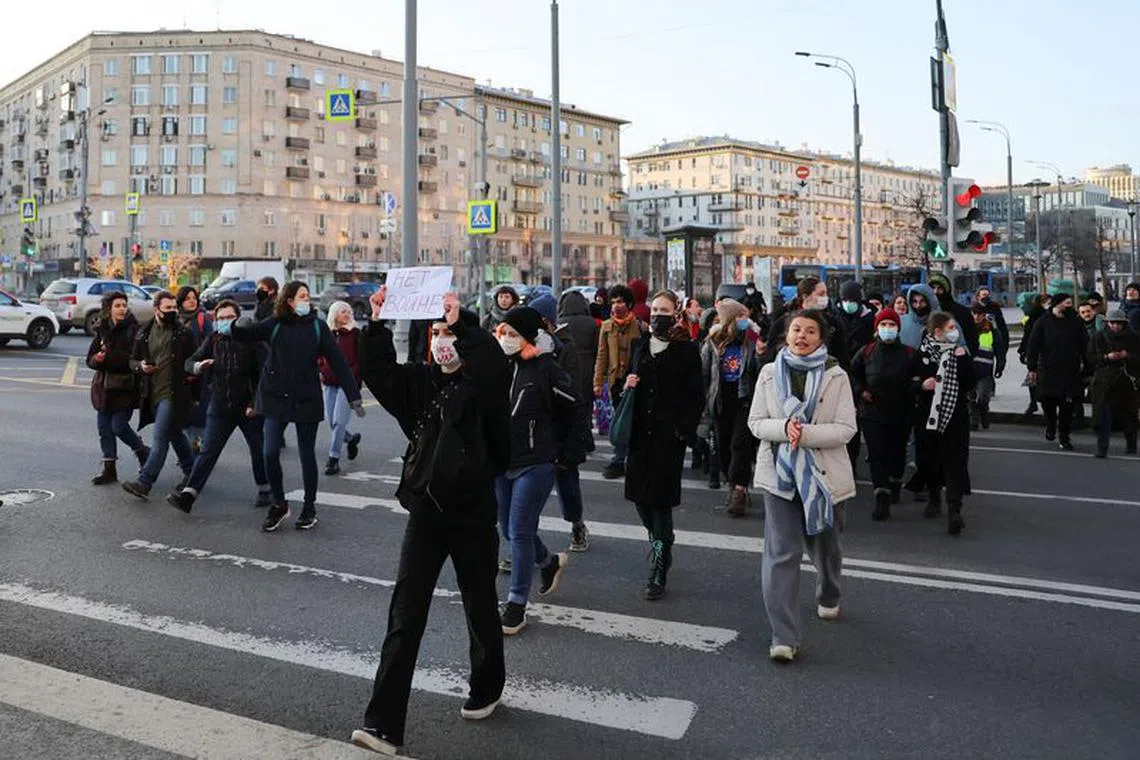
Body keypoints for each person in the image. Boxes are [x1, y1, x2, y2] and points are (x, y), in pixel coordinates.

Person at [352, 290, 509, 756]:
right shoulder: (420, 383)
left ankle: (487, 685)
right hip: (426, 512)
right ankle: (382, 724)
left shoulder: (485, 386)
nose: (442, 341)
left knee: (479, 604)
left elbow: (493, 370)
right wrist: (377, 323)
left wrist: (464, 326)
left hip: (473, 514)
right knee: (405, 614)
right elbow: (379, 373)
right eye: (436, 333)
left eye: (449, 334)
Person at [748, 309, 855, 662]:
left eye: (810, 331)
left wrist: (804, 434)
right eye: (796, 330)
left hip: (824, 476)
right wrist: (784, 429)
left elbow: (845, 428)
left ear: (821, 338)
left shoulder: (835, 376)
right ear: (786, 334)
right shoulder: (768, 373)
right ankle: (784, 636)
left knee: (827, 547)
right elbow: (756, 422)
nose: (802, 336)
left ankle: (829, 592)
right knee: (781, 553)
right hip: (779, 476)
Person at [232, 281, 363, 532]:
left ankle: (309, 507)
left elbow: (338, 361)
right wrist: (237, 325)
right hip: (275, 396)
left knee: (306, 454)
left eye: (307, 296)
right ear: (289, 300)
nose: (306, 300)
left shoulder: (317, 326)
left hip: (306, 397)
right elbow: (249, 334)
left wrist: (353, 395)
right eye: (301, 296)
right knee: (269, 452)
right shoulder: (276, 324)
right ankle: (279, 504)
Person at [494, 306, 585, 635]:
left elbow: (574, 407)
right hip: (502, 462)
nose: (506, 338)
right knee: (509, 528)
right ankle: (548, 563)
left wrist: (566, 453)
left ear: (530, 337)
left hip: (536, 462)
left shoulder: (546, 369)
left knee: (518, 530)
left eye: (513, 334)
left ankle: (516, 604)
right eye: (503, 332)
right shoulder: (501, 366)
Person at [624, 290, 704, 600]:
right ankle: (661, 540)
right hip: (639, 436)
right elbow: (625, 387)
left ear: (676, 312)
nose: (658, 314)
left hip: (667, 439)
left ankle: (659, 563)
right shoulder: (639, 345)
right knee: (640, 500)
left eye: (664, 309)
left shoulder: (685, 350)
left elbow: (695, 395)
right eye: (655, 308)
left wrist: (682, 431)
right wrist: (627, 384)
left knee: (659, 502)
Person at [166, 299, 270, 513]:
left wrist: (255, 403)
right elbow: (189, 361)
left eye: (229, 317)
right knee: (208, 451)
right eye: (220, 318)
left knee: (257, 448)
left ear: (238, 318)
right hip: (220, 405)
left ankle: (264, 489)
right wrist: (197, 366)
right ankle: (189, 495)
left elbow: (264, 375)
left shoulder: (253, 341)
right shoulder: (213, 339)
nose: (224, 322)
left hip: (248, 407)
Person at [531, 293, 594, 553]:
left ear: (547, 322)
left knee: (567, 483)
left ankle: (577, 524)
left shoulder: (566, 349)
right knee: (527, 494)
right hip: (533, 430)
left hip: (561, 429)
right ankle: (523, 544)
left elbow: (572, 393)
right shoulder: (527, 345)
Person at [121, 291, 198, 499]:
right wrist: (141, 367)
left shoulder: (183, 333)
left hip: (173, 393)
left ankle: (145, 482)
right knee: (174, 433)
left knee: (161, 438)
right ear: (157, 310)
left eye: (174, 308)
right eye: (168, 308)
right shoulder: (144, 332)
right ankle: (193, 472)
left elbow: (196, 360)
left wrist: (195, 393)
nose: (172, 311)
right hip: (151, 393)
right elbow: (132, 361)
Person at [849, 307, 918, 521]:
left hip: (901, 413)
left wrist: (912, 389)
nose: (887, 329)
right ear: (877, 329)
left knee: (896, 454)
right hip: (872, 414)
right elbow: (853, 375)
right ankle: (881, 496)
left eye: (891, 325)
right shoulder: (866, 352)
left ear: (898, 329)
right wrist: (861, 391)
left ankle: (895, 482)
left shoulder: (909, 354)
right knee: (877, 454)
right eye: (883, 325)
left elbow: (918, 378)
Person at [701, 298, 763, 517]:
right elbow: (705, 373)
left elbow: (761, 370)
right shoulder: (713, 341)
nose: (745, 320)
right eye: (740, 316)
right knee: (724, 444)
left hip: (745, 400)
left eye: (746, 316)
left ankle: (739, 489)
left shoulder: (752, 340)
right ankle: (733, 483)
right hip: (720, 400)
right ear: (729, 319)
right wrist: (703, 405)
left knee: (740, 444)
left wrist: (761, 352)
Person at [87, 291, 148, 485]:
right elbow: (90, 359)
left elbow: (133, 359)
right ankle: (109, 470)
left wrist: (109, 358)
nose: (122, 309)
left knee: (119, 426)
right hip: (103, 388)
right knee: (104, 429)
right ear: (109, 309)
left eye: (124, 305)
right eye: (118, 306)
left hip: (125, 388)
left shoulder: (133, 330)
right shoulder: (102, 329)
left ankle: (142, 451)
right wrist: (97, 360)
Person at [594, 283, 646, 479]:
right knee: (620, 420)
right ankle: (618, 460)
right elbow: (601, 356)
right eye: (614, 302)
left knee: (634, 421)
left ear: (629, 303)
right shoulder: (606, 327)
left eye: (621, 301)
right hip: (615, 381)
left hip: (634, 380)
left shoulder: (639, 326)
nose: (617, 305)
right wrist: (597, 382)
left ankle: (631, 460)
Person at [1026, 293, 1087, 451]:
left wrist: (1087, 366)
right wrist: (1031, 367)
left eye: (1070, 303)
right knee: (1048, 403)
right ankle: (1051, 425)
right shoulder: (1043, 322)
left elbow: (1085, 345)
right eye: (1066, 303)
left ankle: (1064, 436)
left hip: (1070, 371)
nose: (1069, 306)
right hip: (1048, 370)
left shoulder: (1076, 322)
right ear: (1057, 304)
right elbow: (1033, 345)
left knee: (1068, 406)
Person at [764, 277, 850, 369]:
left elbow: (842, 356)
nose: (825, 298)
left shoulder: (833, 323)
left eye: (826, 294)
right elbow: (770, 355)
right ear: (805, 296)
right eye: (821, 294)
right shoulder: (783, 322)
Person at [320, 301, 364, 476]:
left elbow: (361, 358)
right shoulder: (327, 334)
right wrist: (322, 369)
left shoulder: (355, 334)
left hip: (348, 384)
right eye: (342, 311)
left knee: (339, 421)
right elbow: (319, 355)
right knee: (331, 421)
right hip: (329, 382)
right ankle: (351, 439)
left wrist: (354, 376)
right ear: (334, 315)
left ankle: (333, 458)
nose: (346, 314)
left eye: (348, 311)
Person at [1090, 309, 1140, 458]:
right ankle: (1102, 448)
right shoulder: (1099, 336)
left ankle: (1131, 445)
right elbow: (1091, 358)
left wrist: (1128, 356)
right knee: (1104, 416)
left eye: (1119, 323)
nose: (1115, 326)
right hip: (1104, 382)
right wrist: (1107, 357)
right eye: (1112, 323)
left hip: (1127, 381)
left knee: (1129, 415)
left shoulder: (1134, 338)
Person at [177, 285, 213, 453]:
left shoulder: (202, 319)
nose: (191, 301)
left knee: (199, 413)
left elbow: (211, 342)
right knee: (183, 413)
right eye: (187, 299)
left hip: (200, 371)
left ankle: (200, 448)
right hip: (181, 374)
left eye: (194, 298)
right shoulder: (177, 319)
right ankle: (190, 447)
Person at [969, 302, 1007, 431]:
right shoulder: (966, 328)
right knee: (970, 398)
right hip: (970, 369)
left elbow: (999, 348)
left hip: (985, 370)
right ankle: (974, 421)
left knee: (983, 398)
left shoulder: (991, 329)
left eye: (979, 314)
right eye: (974, 313)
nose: (976, 317)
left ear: (984, 315)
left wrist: (1000, 366)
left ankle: (984, 414)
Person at [927, 274, 979, 354]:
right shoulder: (925, 310)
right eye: (932, 288)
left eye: (940, 288)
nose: (935, 292)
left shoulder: (962, 312)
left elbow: (972, 340)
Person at [1018, 293, 1050, 417]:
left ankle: (1033, 402)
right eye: (1048, 302)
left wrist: (1022, 350)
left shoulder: (1031, 316)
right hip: (1040, 352)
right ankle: (1037, 402)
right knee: (1037, 376)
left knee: (1033, 376)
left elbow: (1026, 335)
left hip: (1032, 351)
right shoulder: (1043, 316)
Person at [899, 283, 938, 349]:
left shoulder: (943, 322)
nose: (918, 306)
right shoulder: (901, 322)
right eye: (914, 301)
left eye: (922, 301)